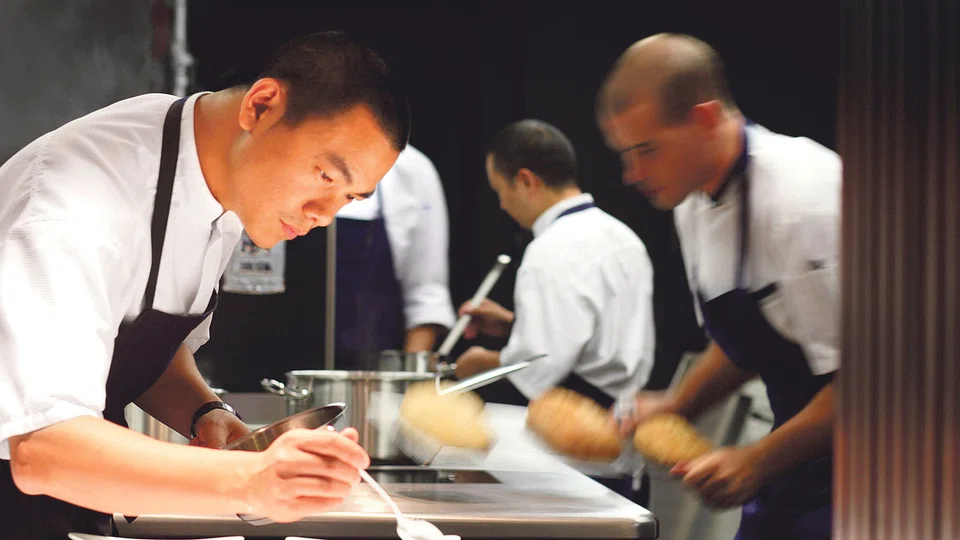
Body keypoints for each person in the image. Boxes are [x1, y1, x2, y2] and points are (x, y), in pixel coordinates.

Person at [0, 31, 408, 538]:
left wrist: (207, 414)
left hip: (68, 502)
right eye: (325, 176)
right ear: (261, 106)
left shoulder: (220, 179)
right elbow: (43, 450)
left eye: (349, 197)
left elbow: (140, 347)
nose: (323, 215)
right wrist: (249, 479)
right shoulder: (78, 203)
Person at [596, 33, 840, 540]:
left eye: (646, 150)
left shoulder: (805, 200)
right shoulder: (691, 203)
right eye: (623, 155)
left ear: (705, 119)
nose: (631, 174)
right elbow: (750, 342)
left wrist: (757, 461)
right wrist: (676, 405)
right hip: (801, 470)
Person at [453, 119, 656, 504]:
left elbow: (536, 366)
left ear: (526, 181)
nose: (502, 205)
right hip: (620, 437)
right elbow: (594, 335)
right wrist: (512, 325)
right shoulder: (622, 236)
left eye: (500, 191)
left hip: (567, 449)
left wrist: (480, 363)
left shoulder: (549, 251)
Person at [332, 144, 456, 369]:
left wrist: (408, 379)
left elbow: (426, 295)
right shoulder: (287, 154)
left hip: (375, 370)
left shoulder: (411, 169)